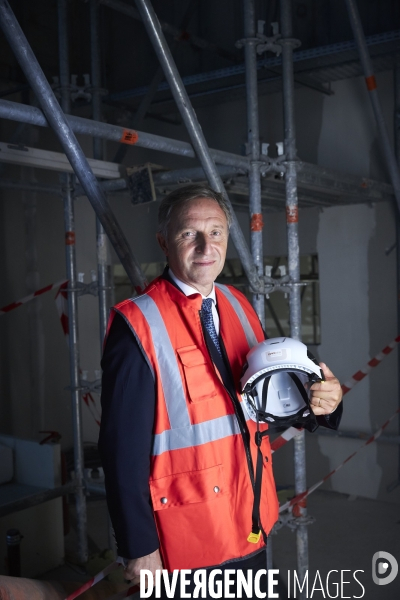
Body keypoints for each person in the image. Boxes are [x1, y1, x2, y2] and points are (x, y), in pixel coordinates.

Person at [99, 184, 343, 598]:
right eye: (188, 233)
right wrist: (139, 548)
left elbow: (273, 401)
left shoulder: (239, 307)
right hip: (186, 544)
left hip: (251, 522)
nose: (204, 246)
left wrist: (325, 404)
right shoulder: (137, 325)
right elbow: (121, 451)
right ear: (164, 241)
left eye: (216, 232)